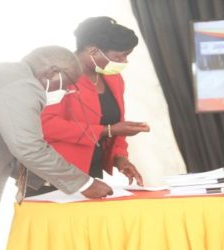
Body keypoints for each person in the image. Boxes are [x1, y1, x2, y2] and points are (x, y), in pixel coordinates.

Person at [0, 46, 113, 250]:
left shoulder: (5, 74)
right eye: (67, 85)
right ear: (51, 73)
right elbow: (28, 146)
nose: (66, 91)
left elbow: (7, 144)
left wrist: (44, 181)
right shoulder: (24, 86)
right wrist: (85, 184)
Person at [35, 17, 150, 196]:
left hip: (91, 177)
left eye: (127, 55)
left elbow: (117, 123)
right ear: (93, 50)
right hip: (54, 177)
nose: (124, 62)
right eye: (119, 56)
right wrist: (107, 130)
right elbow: (46, 126)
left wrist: (119, 158)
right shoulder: (56, 77)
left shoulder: (114, 79)